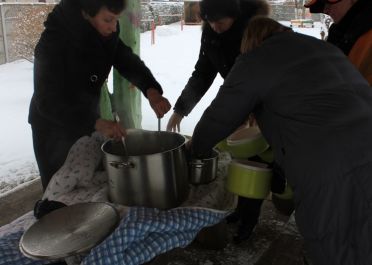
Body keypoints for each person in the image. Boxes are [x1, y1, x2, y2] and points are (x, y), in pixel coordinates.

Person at [189, 16, 372, 265]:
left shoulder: (257, 57)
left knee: (334, 241)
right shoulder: (324, 48)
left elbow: (218, 117)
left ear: (252, 42)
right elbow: (310, 107)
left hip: (328, 166)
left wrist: (193, 151)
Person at [29, 0, 171, 190]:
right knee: (60, 194)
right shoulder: (54, 41)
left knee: (89, 188)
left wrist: (151, 89)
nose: (114, 28)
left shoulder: (105, 32)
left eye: (117, 20)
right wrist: (96, 123)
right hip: (54, 129)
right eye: (108, 20)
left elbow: (125, 59)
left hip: (88, 121)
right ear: (87, 13)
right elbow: (46, 101)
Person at [167, 0, 270, 243]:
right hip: (236, 98)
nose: (214, 26)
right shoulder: (211, 36)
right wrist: (181, 109)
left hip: (264, 102)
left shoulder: (255, 31)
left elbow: (269, 71)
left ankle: (250, 218)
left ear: (234, 15)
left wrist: (256, 105)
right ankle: (240, 209)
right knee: (237, 157)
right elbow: (203, 73)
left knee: (257, 161)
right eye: (209, 21)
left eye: (220, 21)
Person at [305, 0, 372, 84]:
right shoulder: (345, 35)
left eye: (329, 4)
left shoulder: (363, 36)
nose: (326, 11)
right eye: (323, 6)